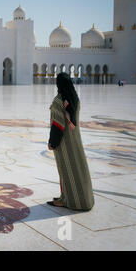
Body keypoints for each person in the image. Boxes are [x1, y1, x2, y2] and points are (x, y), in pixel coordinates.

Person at [47, 72, 94, 211]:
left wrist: (52, 143)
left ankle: (70, 200)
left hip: (64, 144)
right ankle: (82, 198)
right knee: (79, 169)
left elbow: (58, 125)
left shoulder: (59, 101)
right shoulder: (75, 98)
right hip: (76, 141)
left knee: (67, 170)